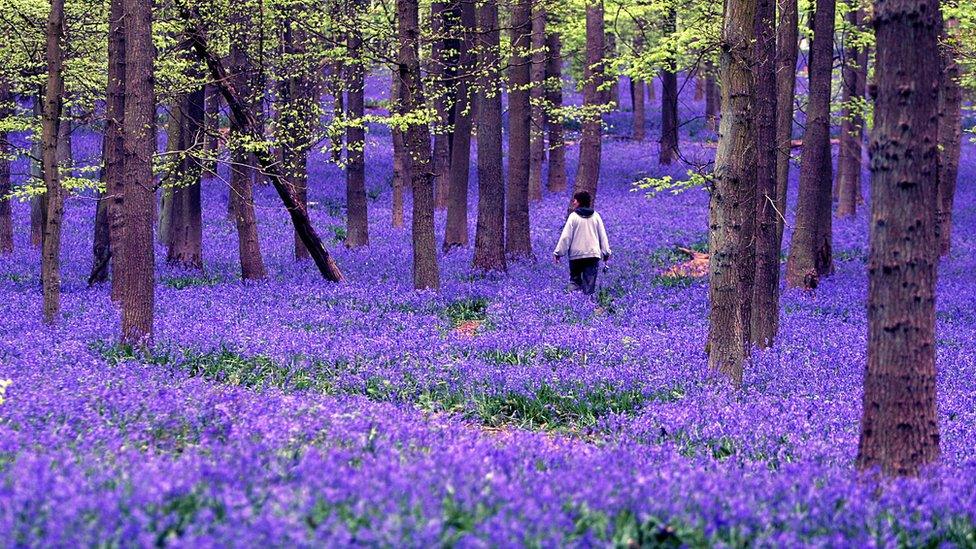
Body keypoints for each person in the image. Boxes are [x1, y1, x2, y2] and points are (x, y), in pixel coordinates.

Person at [553, 191, 611, 295]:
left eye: (575, 200)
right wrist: (606, 253)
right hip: (592, 255)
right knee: (589, 284)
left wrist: (558, 253)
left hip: (576, 256)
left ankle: (572, 304)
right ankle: (589, 306)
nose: (573, 203)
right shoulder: (596, 216)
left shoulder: (573, 217)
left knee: (575, 282)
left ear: (580, 201)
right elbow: (603, 236)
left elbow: (566, 237)